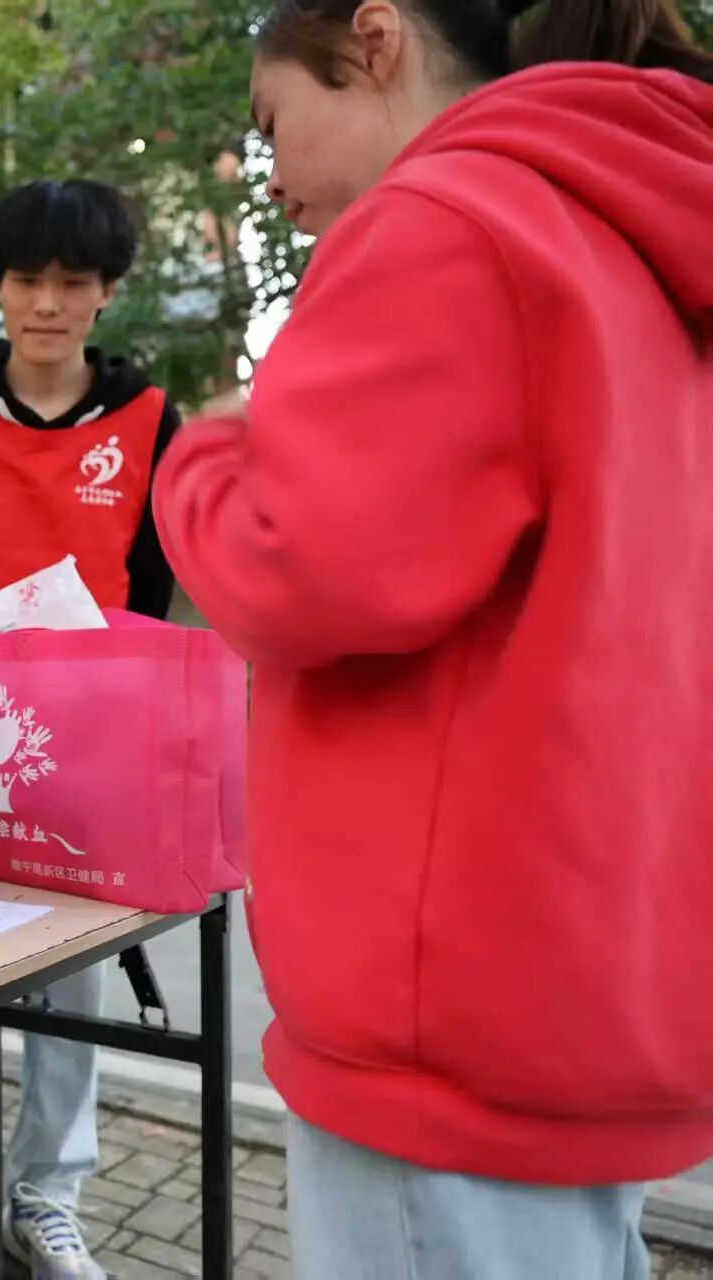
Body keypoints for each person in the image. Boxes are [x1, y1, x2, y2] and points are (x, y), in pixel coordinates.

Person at [152, 2, 712, 1276]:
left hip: (445, 1019)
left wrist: (213, 445)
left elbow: (298, 565)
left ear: (375, 39)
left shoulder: (452, 220)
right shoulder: (635, 225)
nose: (269, 173)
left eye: (272, 122)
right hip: (595, 980)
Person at [0, 178, 180, 1280]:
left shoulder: (150, 423)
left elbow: (150, 594)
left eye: (71, 282)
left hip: (90, 746)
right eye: (25, 280)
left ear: (106, 294)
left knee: (75, 980)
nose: (46, 303)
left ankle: (47, 1198)